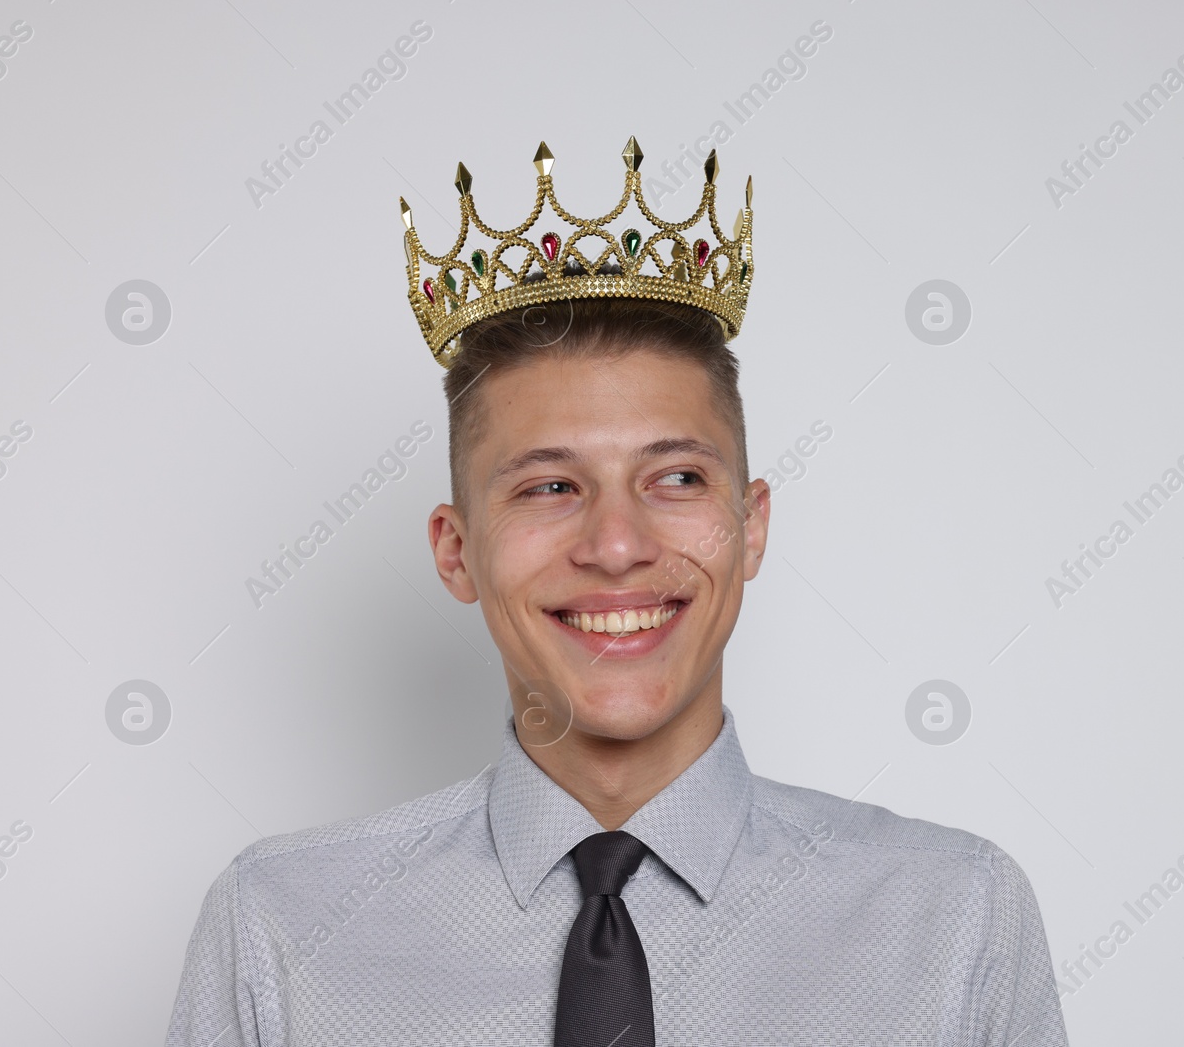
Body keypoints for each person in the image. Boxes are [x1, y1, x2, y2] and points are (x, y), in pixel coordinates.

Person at [166, 139, 1069, 1046]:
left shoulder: (955, 922)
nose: (617, 545)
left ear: (751, 526)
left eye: (675, 478)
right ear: (456, 551)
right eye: (549, 486)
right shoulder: (278, 934)